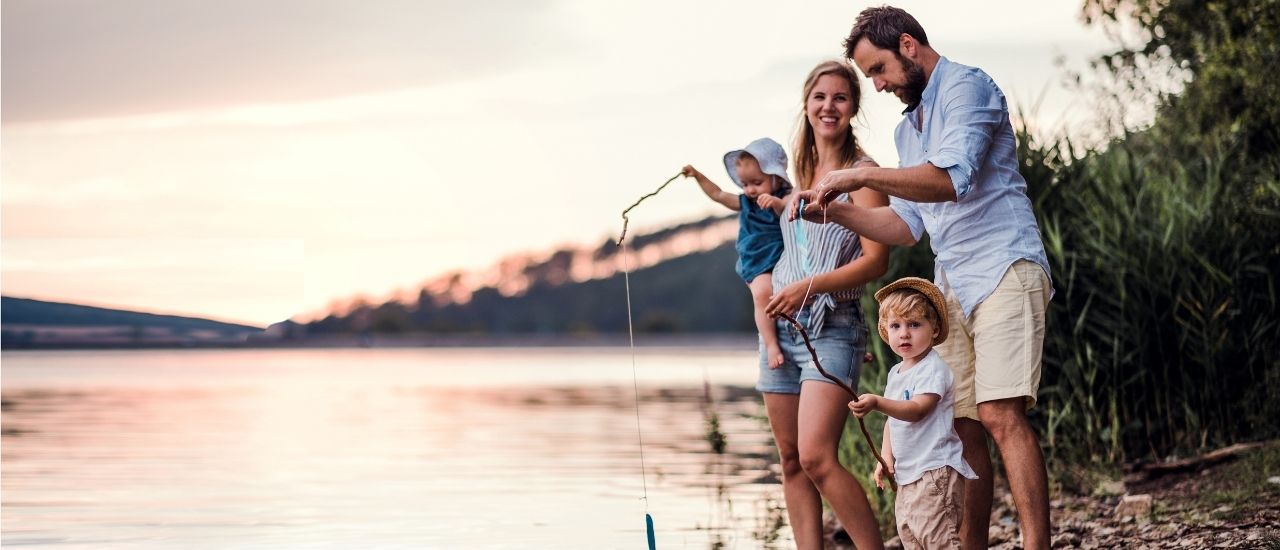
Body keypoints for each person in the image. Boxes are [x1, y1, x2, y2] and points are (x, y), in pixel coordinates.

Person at [793, 6, 1054, 549]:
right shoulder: (907, 132)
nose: (879, 85)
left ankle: (1037, 546)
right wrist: (835, 209)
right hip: (951, 283)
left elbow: (951, 180)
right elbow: (906, 226)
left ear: (909, 45)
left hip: (1005, 264)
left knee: (999, 413)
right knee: (960, 426)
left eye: (879, 71)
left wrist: (858, 173)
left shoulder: (968, 89)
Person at [757, 60, 890, 550]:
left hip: (833, 326)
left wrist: (809, 287)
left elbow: (876, 260)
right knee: (790, 460)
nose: (828, 106)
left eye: (840, 97)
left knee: (817, 457)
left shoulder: (866, 174)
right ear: (807, 105)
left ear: (853, 107)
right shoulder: (794, 176)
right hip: (780, 330)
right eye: (820, 97)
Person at [850, 277, 978, 549]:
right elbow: (891, 422)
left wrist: (877, 401)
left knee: (938, 539)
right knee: (911, 536)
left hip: (934, 471)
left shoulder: (933, 368)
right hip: (909, 474)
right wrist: (885, 457)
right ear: (886, 331)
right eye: (896, 326)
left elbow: (918, 410)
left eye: (914, 324)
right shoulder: (897, 373)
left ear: (934, 329)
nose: (904, 333)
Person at [681, 138, 792, 368]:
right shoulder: (746, 202)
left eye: (757, 182)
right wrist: (698, 176)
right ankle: (771, 344)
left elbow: (791, 207)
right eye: (745, 184)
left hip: (786, 258)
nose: (750, 190)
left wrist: (776, 204)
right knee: (763, 293)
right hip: (758, 260)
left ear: (777, 177)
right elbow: (719, 194)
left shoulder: (787, 196)